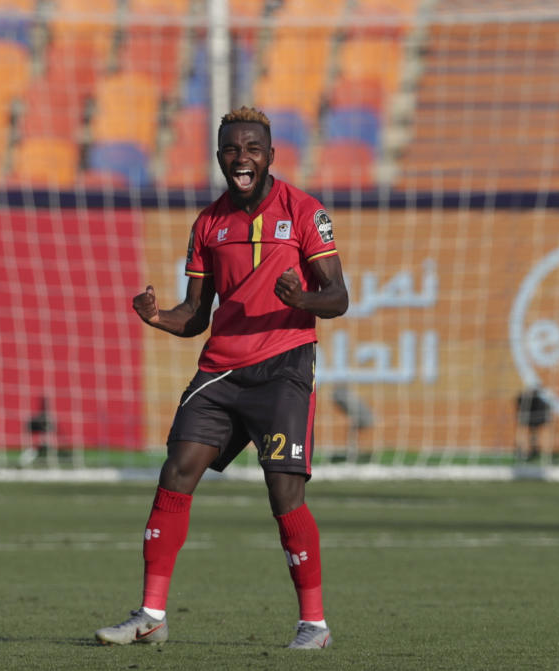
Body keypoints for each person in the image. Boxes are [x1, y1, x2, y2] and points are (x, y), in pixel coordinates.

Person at [95, 107, 348, 648]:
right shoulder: (208, 224)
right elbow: (196, 315)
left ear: (271, 155)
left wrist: (301, 298)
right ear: (218, 157)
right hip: (221, 370)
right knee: (177, 470)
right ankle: (151, 615)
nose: (242, 157)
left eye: (253, 148)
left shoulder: (305, 212)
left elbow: (338, 297)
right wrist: (158, 317)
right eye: (232, 148)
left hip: (283, 365)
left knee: (284, 494)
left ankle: (314, 624)